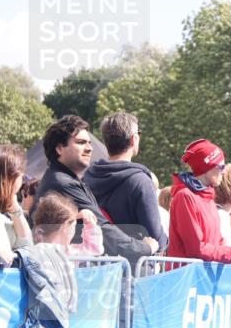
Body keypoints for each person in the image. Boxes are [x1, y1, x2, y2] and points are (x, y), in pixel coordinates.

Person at [33, 115, 156, 266]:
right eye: (81, 142)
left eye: (89, 143)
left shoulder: (65, 179)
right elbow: (102, 229)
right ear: (59, 148)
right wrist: (143, 248)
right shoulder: (62, 182)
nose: (89, 148)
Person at [169, 139, 231, 264]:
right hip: (186, 278)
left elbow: (218, 246)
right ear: (206, 167)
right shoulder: (185, 196)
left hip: (203, 277)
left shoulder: (208, 198)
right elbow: (197, 249)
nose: (224, 171)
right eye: (221, 166)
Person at [83, 112, 168, 252]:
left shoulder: (86, 177)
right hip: (136, 266)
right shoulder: (141, 182)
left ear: (105, 142)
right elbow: (155, 236)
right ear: (134, 139)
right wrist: (165, 241)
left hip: (96, 263)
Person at [31, 193, 103, 256]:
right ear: (65, 225)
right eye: (74, 225)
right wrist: (90, 224)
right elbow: (94, 249)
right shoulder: (71, 252)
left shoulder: (34, 251)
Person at [0, 144, 32, 266]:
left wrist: (15, 209)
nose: (22, 180)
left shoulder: (8, 211)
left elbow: (26, 243)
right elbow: (3, 257)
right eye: (21, 176)